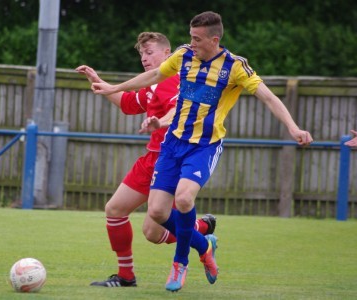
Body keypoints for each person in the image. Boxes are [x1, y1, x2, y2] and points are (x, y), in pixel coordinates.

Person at [91, 11, 314, 292]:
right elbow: (155, 75)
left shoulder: (235, 67)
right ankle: (203, 242)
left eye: (196, 39)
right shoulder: (184, 55)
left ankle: (180, 263)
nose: (191, 43)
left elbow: (268, 97)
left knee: (184, 199)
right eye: (190, 37)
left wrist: (293, 128)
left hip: (204, 146)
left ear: (214, 39)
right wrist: (114, 87)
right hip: (172, 143)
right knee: (157, 214)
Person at [75, 32, 216, 288]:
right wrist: (100, 84)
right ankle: (126, 276)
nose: (144, 58)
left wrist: (159, 122)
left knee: (152, 232)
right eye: (141, 54)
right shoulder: (153, 84)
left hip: (170, 159)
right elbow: (128, 104)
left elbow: (180, 110)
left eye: (149, 52)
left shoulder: (175, 79)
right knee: (115, 210)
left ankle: (199, 232)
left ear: (167, 53)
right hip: (150, 159)